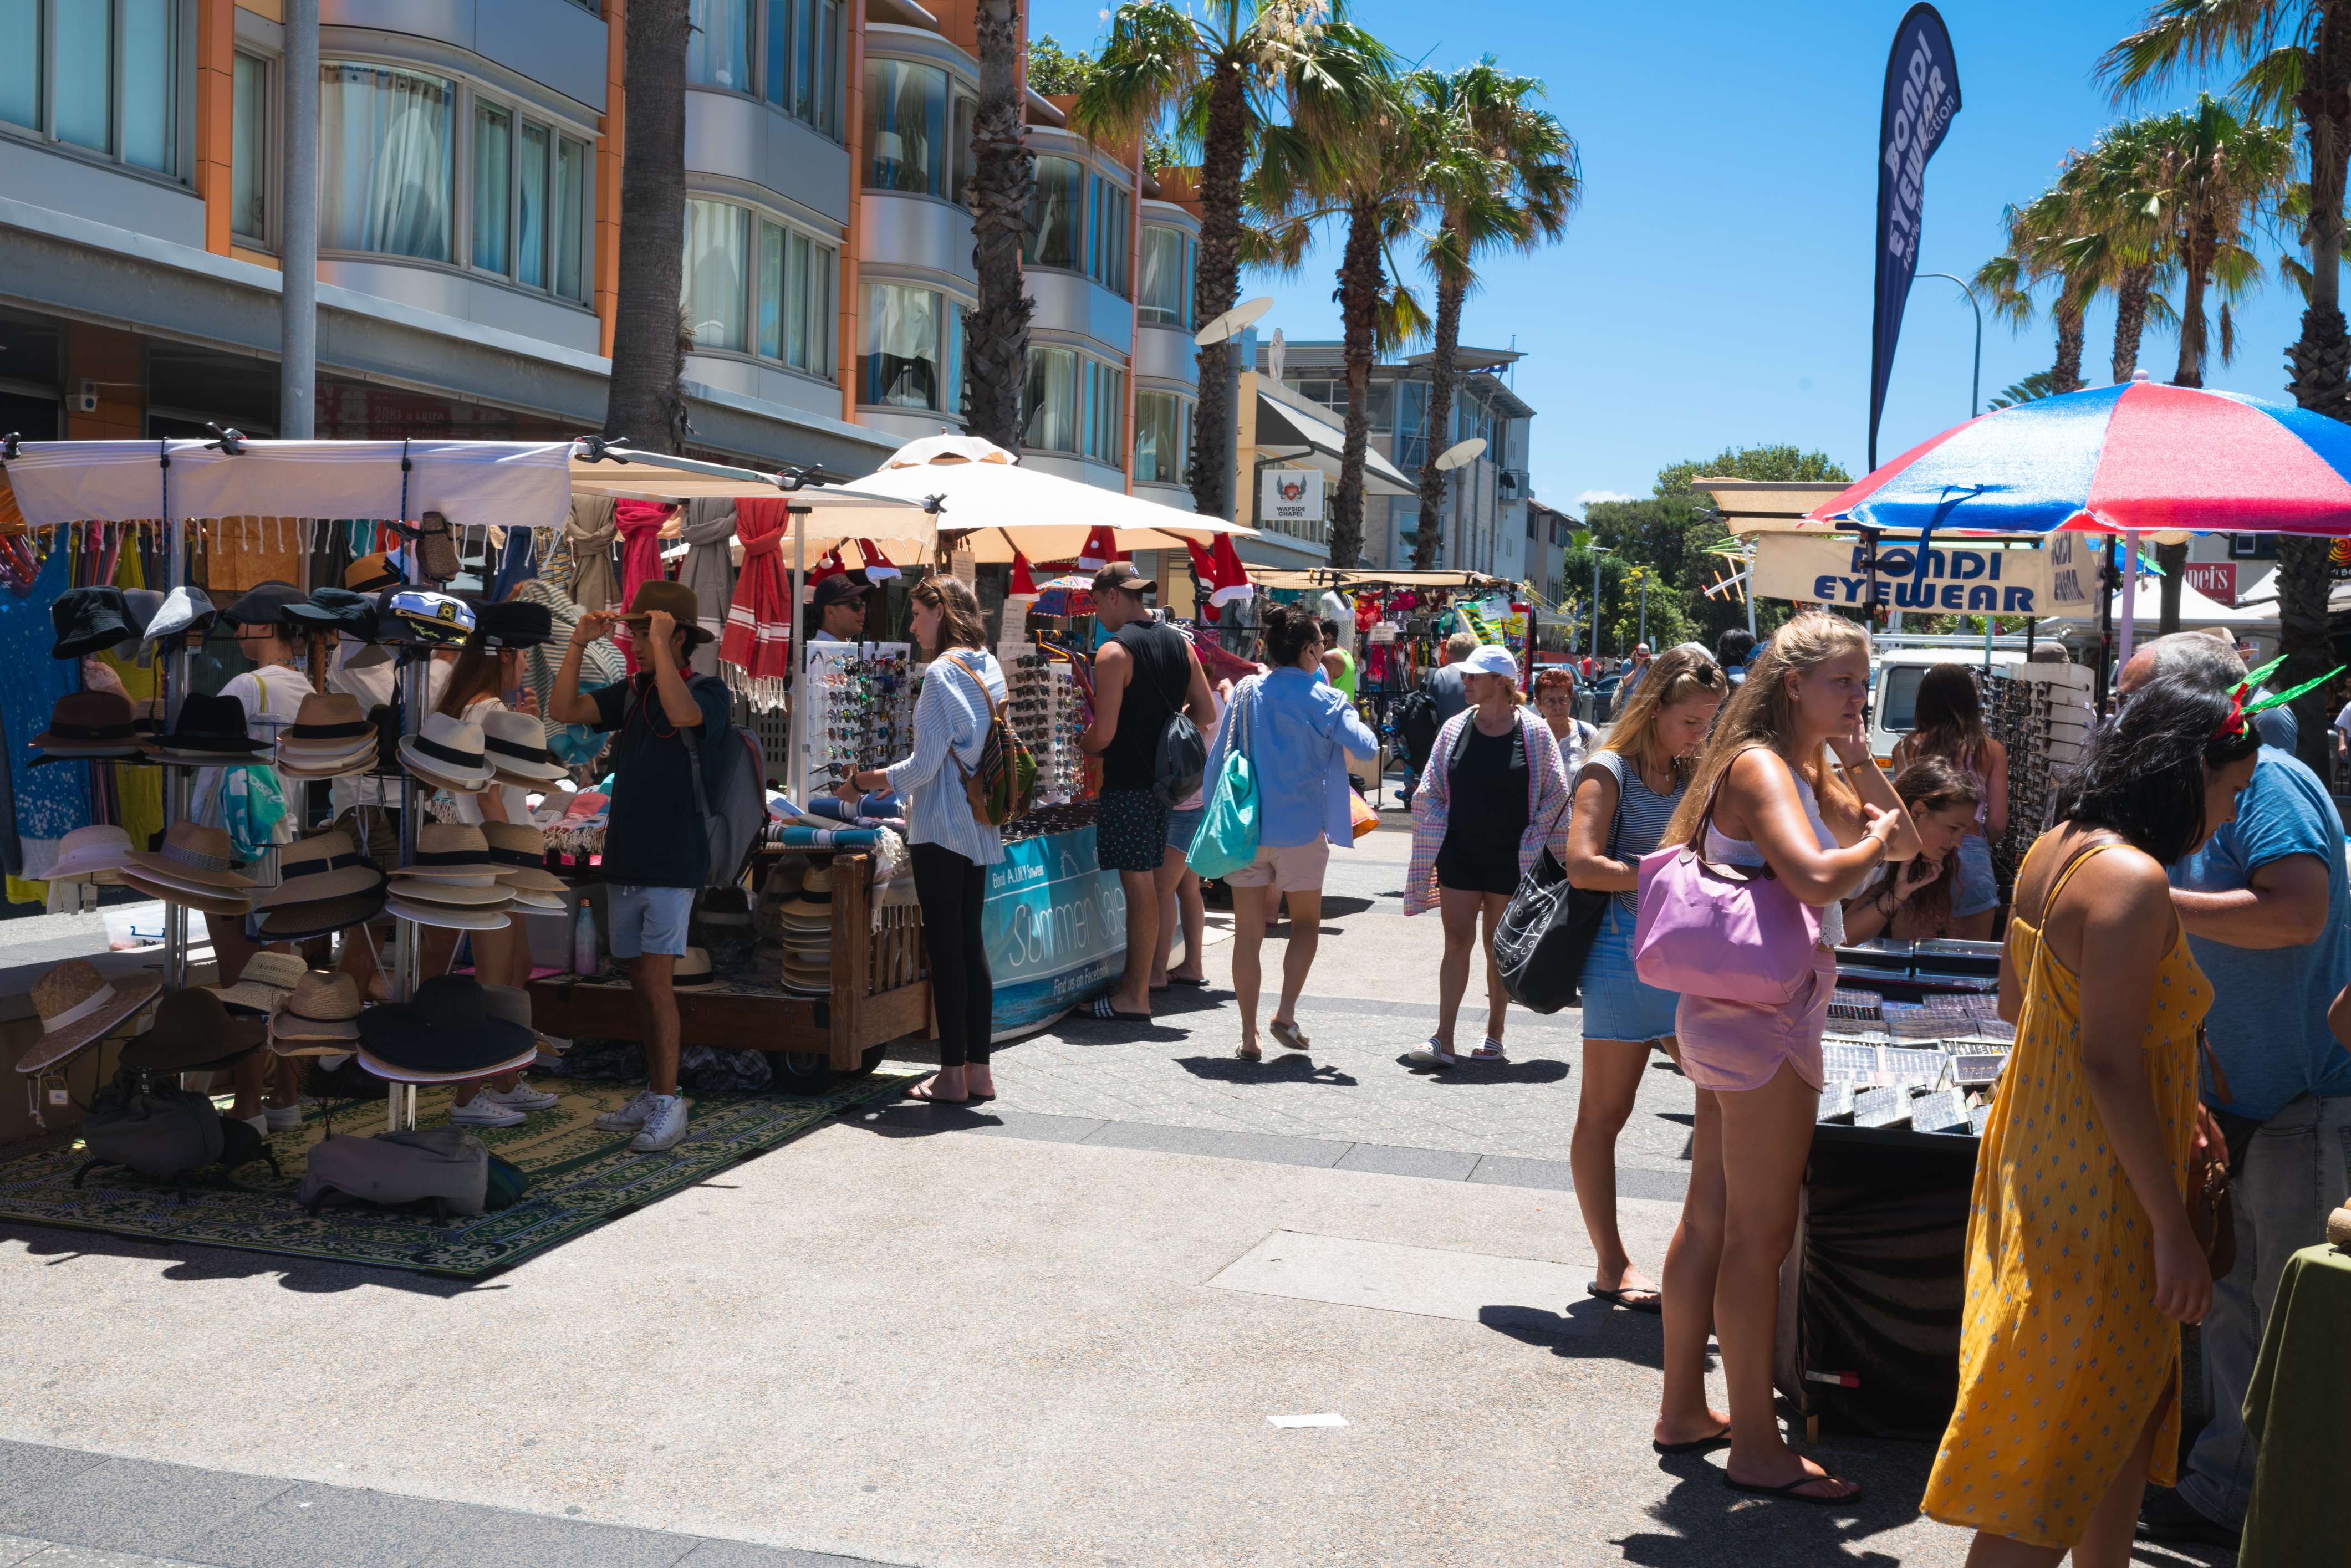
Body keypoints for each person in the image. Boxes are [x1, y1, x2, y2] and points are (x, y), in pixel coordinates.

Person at [1924, 673, 2255, 1564]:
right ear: (2184, 774)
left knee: (2101, 1439)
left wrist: (2173, 1093)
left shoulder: (2054, 847)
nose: (2228, 815)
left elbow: (2020, 1003)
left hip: (2044, 1169)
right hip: (2102, 1207)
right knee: (2045, 1478)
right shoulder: (2132, 879)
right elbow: (2105, 1060)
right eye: (2228, 791)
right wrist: (2171, 1232)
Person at [1649, 611, 1921, 1495]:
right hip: (1765, 1021)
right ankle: (1758, 1448)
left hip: (1734, 1013)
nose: (1858, 695)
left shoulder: (1798, 762)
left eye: (1864, 680)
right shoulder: (1766, 765)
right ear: (1793, 683)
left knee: (1712, 1220)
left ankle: (1686, 1407)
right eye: (1844, 681)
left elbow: (1910, 839)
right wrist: (1871, 838)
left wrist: (1859, 757)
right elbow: (1816, 875)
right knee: (1758, 1237)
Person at [2109, 634, 2351, 1551]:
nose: (2119, 720)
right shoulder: (2207, 786)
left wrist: (2146, 899)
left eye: (2134, 701)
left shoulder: (2272, 780)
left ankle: (2267, 1500)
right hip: (2245, 1094)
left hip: (2305, 1098)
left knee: (2280, 1313)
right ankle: (2225, 1485)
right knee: (2237, 1299)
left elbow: (2296, 912)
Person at [1563, 646, 1725, 1313]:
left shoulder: (1692, 770)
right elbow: (1582, 865)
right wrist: (1667, 873)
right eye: (1691, 721)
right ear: (1654, 709)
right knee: (1605, 1114)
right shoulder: (1607, 770)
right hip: (1620, 957)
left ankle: (1706, 1258)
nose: (1701, 734)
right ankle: (1611, 1262)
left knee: (1727, 1103)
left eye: (1709, 721)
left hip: (1685, 960)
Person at [548, 579, 732, 1153]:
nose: (630, 638)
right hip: (626, 857)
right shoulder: (630, 693)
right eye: (631, 629)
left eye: (641, 628)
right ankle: (656, 1091)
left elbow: (682, 716)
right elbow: (562, 711)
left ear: (676, 635)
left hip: (674, 861)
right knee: (638, 983)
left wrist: (660, 647)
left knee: (655, 985)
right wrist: (577, 644)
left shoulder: (709, 693)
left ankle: (667, 1100)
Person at [837, 576, 1005, 1104]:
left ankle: (952, 1074)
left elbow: (923, 766)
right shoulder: (988, 664)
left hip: (940, 824)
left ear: (940, 611)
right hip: (980, 820)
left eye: (916, 614)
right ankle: (979, 1070)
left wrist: (863, 781)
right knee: (970, 945)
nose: (911, 626)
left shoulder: (939, 674)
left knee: (946, 949)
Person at [1201, 608, 1376, 1059]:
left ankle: (1247, 1035)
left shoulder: (1246, 692)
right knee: (1304, 926)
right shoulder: (1325, 698)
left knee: (1247, 934)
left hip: (1246, 829)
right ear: (1310, 650)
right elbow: (1367, 748)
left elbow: (1217, 760)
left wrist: (1211, 815)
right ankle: (1284, 1013)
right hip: (1300, 829)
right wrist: (1339, 703)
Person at [1401, 645, 1574, 1068]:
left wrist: (1532, 840)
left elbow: (1556, 794)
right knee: (1455, 941)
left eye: (1474, 677)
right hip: (1459, 852)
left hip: (1512, 859)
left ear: (1501, 682)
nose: (1465, 682)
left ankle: (1494, 1034)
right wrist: (1439, 825)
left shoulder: (1533, 732)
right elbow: (1429, 789)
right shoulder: (1455, 727)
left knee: (1497, 949)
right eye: (1466, 676)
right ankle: (1443, 1037)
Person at [1079, 562, 1217, 1022]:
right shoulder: (1180, 643)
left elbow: (1103, 734)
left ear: (1115, 596)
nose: (1098, 614)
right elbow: (1203, 712)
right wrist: (1165, 728)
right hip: (1164, 787)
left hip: (1129, 784)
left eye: (1097, 603)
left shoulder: (1114, 652)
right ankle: (1135, 985)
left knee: (1139, 889)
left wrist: (1080, 742)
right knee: (1150, 888)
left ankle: (1134, 994)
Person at [431, 635, 557, 1128]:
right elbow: (488, 795)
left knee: (515, 965)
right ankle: (468, 1093)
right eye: (525, 653)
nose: (527, 663)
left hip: (502, 848)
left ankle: (504, 1076)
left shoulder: (486, 710)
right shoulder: (483, 713)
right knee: (492, 977)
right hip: (495, 852)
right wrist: (504, 852)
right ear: (506, 655)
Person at [1888, 665, 2008, 939]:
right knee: (1968, 964)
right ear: (1970, 699)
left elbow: (1905, 808)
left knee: (1911, 962)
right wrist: (1973, 840)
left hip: (1916, 856)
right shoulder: (1990, 749)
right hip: (1971, 850)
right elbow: (1998, 822)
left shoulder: (1903, 748)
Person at [1838, 758, 1983, 943]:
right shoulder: (1860, 837)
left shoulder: (1908, 865)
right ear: (1918, 811)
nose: (1959, 843)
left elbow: (1842, 937)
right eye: (1954, 828)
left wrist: (1899, 893)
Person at [1153, 678, 1232, 993]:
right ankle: (1192, 965)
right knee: (1188, 889)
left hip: (1186, 807)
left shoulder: (1202, 707)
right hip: (1201, 804)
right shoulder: (1220, 703)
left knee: (1162, 889)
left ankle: (1157, 970)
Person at [1529, 666, 1597, 776]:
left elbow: (1600, 776)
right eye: (1550, 701)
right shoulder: (1532, 737)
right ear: (1538, 705)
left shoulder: (1587, 734)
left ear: (1571, 700)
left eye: (1563, 700)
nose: (1558, 707)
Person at [809, 574, 871, 643]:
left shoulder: (845, 650)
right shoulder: (817, 653)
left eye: (863, 604)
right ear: (830, 612)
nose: (863, 611)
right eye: (855, 605)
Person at [1319, 619, 1358, 706]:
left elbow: (1323, 693)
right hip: (1346, 715)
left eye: (1318, 636)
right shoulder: (1347, 654)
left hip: (1333, 715)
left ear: (1328, 636)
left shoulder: (1328, 657)